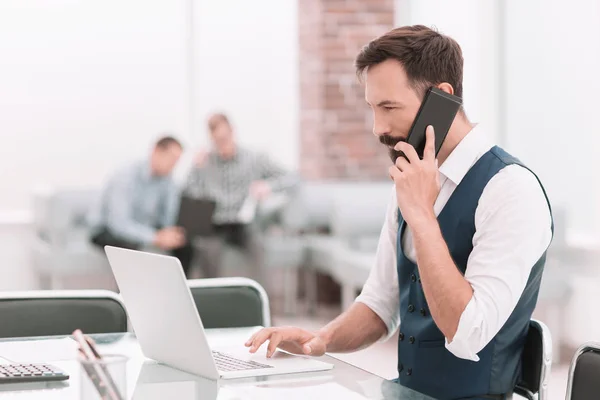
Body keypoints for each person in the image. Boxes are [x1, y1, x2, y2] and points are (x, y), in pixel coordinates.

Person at [244, 25, 553, 400]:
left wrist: (422, 217)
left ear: (441, 98)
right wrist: (319, 340)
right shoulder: (412, 177)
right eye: (373, 109)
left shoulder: (510, 190)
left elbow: (468, 331)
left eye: (389, 108)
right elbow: (379, 303)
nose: (379, 129)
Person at [184, 113, 297, 281]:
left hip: (245, 223)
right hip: (217, 223)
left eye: (224, 138)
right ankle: (212, 302)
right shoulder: (205, 163)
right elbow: (188, 194)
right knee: (204, 249)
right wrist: (195, 168)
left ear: (232, 131)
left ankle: (259, 300)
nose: (222, 145)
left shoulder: (254, 158)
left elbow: (292, 178)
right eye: (217, 141)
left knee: (258, 249)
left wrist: (268, 186)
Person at [89, 136, 194, 275]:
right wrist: (155, 237)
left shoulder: (168, 181)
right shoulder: (125, 177)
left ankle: (178, 292)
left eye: (176, 161)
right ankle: (128, 295)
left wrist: (168, 234)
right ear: (156, 151)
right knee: (131, 248)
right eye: (171, 159)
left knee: (185, 247)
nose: (173, 165)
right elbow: (119, 224)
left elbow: (168, 218)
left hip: (144, 228)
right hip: (107, 230)